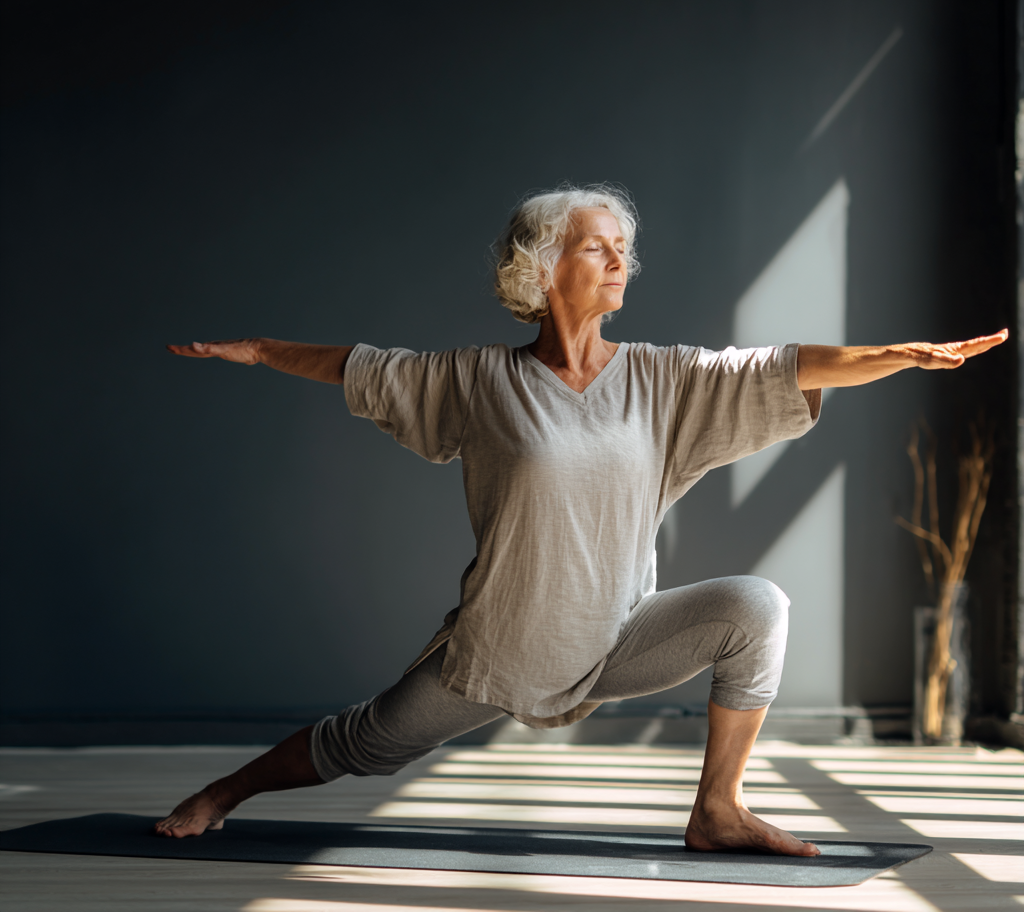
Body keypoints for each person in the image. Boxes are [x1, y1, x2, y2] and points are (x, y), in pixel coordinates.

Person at [157, 185, 1006, 854]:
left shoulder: (664, 379)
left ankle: (718, 809)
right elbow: (368, 369)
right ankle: (222, 793)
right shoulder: (478, 380)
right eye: (597, 246)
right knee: (364, 742)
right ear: (540, 265)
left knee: (758, 607)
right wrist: (265, 351)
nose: (618, 260)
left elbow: (780, 367)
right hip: (503, 647)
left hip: (619, 632)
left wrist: (899, 355)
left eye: (624, 249)